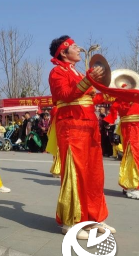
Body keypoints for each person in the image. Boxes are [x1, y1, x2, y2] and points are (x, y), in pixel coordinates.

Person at [47, 35, 113, 239]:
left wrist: (114, 92)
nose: (78, 49)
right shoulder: (57, 72)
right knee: (76, 172)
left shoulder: (76, 72)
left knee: (93, 173)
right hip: (71, 126)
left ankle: (93, 218)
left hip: (89, 125)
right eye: (74, 47)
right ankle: (71, 221)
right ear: (64, 53)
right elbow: (67, 95)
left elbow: (90, 96)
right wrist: (88, 80)